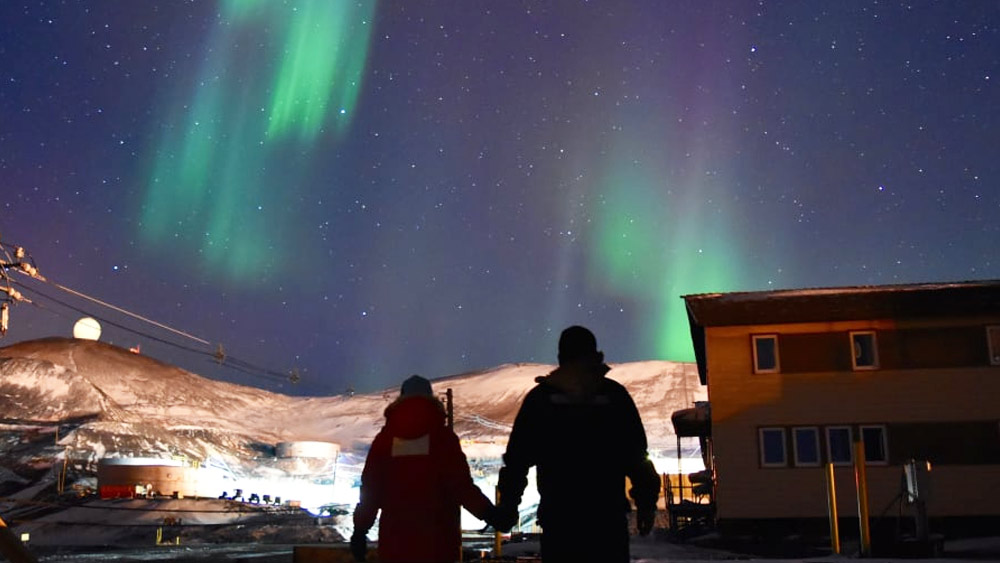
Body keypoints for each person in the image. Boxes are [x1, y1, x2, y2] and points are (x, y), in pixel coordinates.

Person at [494, 325, 660, 562]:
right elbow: (637, 457)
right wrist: (646, 503)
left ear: (561, 358)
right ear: (595, 355)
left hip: (560, 523)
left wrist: (509, 505)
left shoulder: (540, 400)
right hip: (607, 523)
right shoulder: (615, 397)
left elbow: (517, 460)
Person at [351, 375, 497, 562]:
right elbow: (461, 487)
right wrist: (489, 513)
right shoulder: (443, 439)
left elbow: (371, 490)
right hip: (439, 545)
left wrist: (360, 530)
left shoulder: (385, 441)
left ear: (400, 400)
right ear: (432, 399)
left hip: (396, 545)